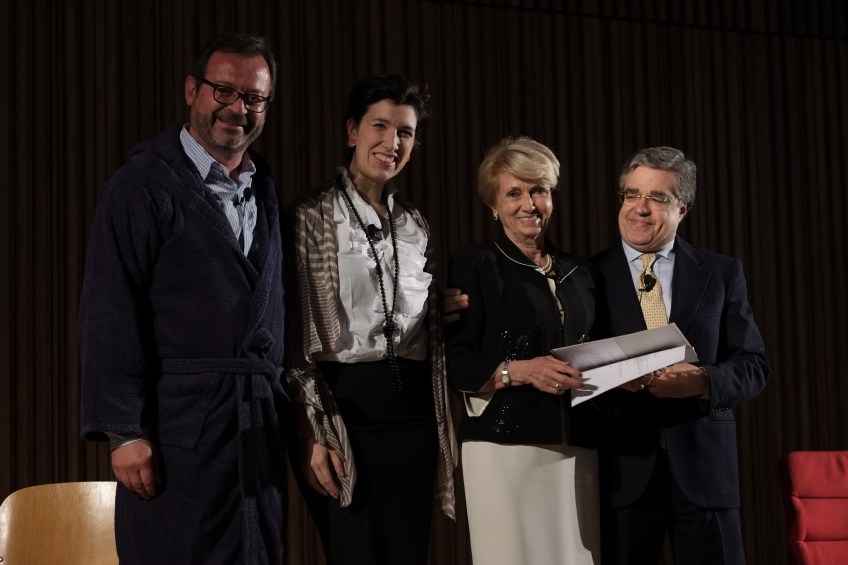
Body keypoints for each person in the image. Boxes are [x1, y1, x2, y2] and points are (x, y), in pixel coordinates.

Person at [78, 34, 287, 565]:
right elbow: (109, 308)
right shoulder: (140, 186)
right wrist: (124, 431)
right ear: (192, 90)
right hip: (178, 431)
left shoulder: (264, 190)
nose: (238, 109)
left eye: (254, 98)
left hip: (254, 429)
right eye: (224, 90)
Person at [284, 73, 456, 565]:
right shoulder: (308, 218)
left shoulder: (415, 223)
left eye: (405, 132)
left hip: (414, 415)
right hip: (343, 413)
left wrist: (445, 310)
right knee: (353, 551)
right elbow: (290, 338)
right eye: (380, 126)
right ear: (352, 132)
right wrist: (309, 433)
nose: (392, 142)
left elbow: (420, 321)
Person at [592, 146, 770, 565]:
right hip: (622, 471)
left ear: (682, 208)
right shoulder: (587, 275)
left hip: (705, 470)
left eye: (657, 198)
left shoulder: (721, 272)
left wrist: (703, 381)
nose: (640, 208)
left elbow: (754, 366)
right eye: (632, 194)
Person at [444, 136, 603, 565]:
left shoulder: (582, 272)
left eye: (539, 191)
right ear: (493, 205)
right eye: (513, 193)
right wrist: (520, 370)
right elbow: (456, 363)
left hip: (580, 449)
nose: (529, 204)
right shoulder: (475, 264)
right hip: (503, 450)